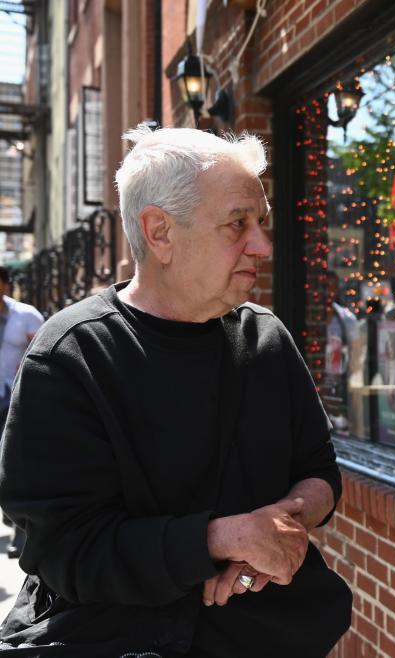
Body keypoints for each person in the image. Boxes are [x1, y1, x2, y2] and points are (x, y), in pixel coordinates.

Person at [0, 125, 352, 656]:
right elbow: (65, 550)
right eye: (238, 224)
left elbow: (319, 470)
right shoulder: (71, 355)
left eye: (262, 222)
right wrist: (225, 539)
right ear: (160, 232)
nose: (261, 244)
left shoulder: (266, 337)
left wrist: (275, 533)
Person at [0, 266, 44, 559]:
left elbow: (46, 351)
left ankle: (20, 529)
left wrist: (30, 360)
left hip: (11, 399)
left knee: (14, 462)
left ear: (4, 285)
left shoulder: (27, 316)